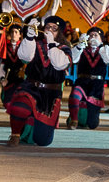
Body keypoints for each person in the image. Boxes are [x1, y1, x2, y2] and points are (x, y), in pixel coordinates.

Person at [5, 16, 72, 147]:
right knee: (19, 106)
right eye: (48, 27)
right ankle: (15, 134)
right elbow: (24, 56)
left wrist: (51, 43)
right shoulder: (36, 43)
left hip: (50, 94)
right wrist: (29, 37)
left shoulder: (65, 48)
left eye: (54, 29)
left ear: (59, 33)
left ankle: (31, 119)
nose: (50, 30)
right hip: (31, 87)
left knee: (42, 141)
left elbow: (60, 64)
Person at [66, 26, 109, 130]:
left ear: (101, 39)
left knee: (92, 124)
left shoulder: (105, 49)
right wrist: (79, 45)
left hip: (96, 85)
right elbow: (73, 60)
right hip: (82, 81)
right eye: (91, 35)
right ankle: (74, 120)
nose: (93, 37)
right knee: (75, 95)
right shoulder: (81, 48)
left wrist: (100, 46)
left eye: (96, 35)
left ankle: (87, 117)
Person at [0, 25, 27, 107]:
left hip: (21, 80)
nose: (13, 34)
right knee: (7, 104)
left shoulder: (24, 47)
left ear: (20, 35)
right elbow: (0, 66)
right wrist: (2, 78)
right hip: (8, 80)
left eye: (16, 32)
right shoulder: (4, 47)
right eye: (12, 32)